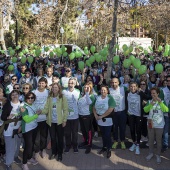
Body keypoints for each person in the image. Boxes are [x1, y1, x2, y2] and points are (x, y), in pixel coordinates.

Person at [41, 83, 68, 161]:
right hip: (51, 121)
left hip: (59, 122)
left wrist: (64, 120)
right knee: (53, 138)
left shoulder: (62, 97)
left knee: (60, 138)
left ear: (59, 89)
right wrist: (41, 111)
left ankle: (60, 154)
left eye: (56, 87)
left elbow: (65, 110)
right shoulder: (49, 97)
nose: (54, 89)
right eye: (53, 88)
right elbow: (46, 108)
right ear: (51, 89)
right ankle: (54, 152)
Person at [144, 87, 169, 164]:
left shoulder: (162, 101)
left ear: (158, 93)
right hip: (151, 124)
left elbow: (166, 110)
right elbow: (145, 110)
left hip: (160, 125)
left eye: (154, 93)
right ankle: (151, 153)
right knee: (151, 140)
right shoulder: (149, 101)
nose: (153, 95)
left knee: (158, 141)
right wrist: (150, 105)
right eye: (151, 93)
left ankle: (158, 155)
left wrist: (160, 102)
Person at [125, 82, 150, 155]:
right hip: (130, 114)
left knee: (138, 130)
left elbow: (148, 97)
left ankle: (138, 145)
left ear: (137, 87)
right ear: (129, 87)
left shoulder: (140, 93)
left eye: (134, 86)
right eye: (131, 86)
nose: (133, 88)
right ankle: (134, 143)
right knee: (132, 130)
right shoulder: (127, 93)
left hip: (139, 115)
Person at [1, 90, 22, 170]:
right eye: (13, 95)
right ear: (10, 96)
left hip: (18, 128)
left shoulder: (22, 104)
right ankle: (8, 163)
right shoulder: (8, 104)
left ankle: (15, 157)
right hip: (9, 128)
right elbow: (2, 117)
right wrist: (7, 117)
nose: (15, 96)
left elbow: (24, 116)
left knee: (17, 145)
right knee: (10, 147)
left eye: (16, 94)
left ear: (19, 95)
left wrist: (21, 126)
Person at [93, 85, 116, 158]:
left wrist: (102, 116)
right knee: (103, 135)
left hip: (107, 120)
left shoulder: (110, 98)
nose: (103, 91)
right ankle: (104, 147)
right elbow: (93, 107)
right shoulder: (98, 97)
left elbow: (111, 109)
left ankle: (109, 149)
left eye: (104, 90)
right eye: (102, 90)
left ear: (107, 91)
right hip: (99, 119)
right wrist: (96, 115)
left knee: (107, 135)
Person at [20, 92, 41, 170]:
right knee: (28, 146)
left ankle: (30, 158)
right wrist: (37, 114)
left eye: (32, 98)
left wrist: (38, 112)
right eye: (29, 98)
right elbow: (26, 119)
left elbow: (35, 113)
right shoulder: (23, 107)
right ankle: (24, 163)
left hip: (34, 127)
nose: (30, 99)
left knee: (31, 145)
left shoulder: (33, 105)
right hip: (27, 129)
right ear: (26, 98)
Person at [63, 78, 80, 153]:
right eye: (69, 83)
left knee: (75, 133)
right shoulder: (63, 92)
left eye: (72, 83)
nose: (70, 85)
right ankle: (68, 145)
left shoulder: (78, 91)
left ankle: (75, 145)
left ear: (74, 84)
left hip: (75, 116)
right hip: (66, 116)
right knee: (67, 133)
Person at [33, 77, 49, 159]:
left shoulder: (48, 92)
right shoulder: (34, 92)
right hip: (35, 118)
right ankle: (36, 151)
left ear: (46, 84)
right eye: (40, 83)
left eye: (43, 83)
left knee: (44, 136)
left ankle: (43, 150)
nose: (41, 84)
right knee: (36, 138)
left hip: (45, 118)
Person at [109, 78, 127, 149]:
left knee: (122, 128)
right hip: (113, 112)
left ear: (118, 83)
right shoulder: (109, 90)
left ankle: (122, 141)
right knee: (114, 128)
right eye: (112, 82)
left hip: (122, 112)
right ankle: (116, 140)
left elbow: (133, 89)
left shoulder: (123, 88)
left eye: (115, 82)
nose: (114, 84)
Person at [78, 82, 95, 154]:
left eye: (88, 87)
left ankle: (89, 145)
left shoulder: (91, 96)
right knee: (83, 130)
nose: (86, 89)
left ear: (90, 88)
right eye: (85, 87)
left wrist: (87, 93)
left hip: (87, 116)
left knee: (89, 131)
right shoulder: (81, 95)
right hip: (80, 115)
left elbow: (89, 103)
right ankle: (85, 141)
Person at [161, 75, 170, 152]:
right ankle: (165, 144)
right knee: (165, 130)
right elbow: (161, 101)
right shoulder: (163, 90)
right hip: (166, 114)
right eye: (167, 81)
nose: (168, 82)